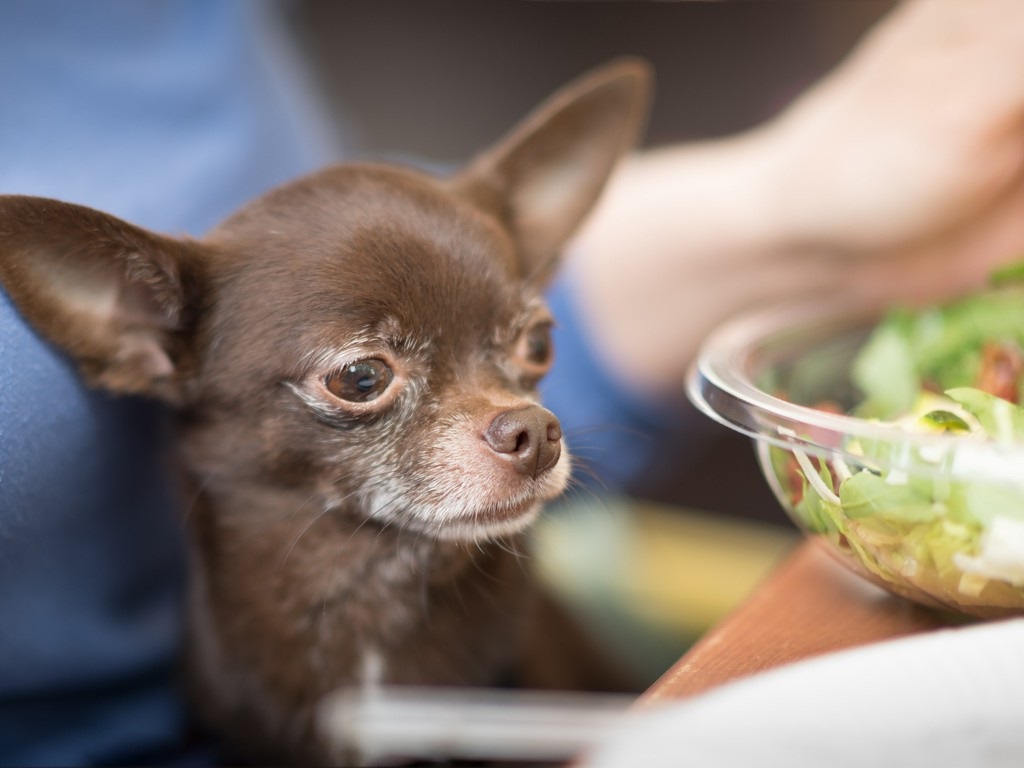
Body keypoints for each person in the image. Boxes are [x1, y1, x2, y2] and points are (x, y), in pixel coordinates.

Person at [2, 0, 1024, 763]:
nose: (520, 416)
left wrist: (801, 199)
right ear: (135, 334)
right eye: (363, 378)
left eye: (523, 349)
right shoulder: (177, 314)